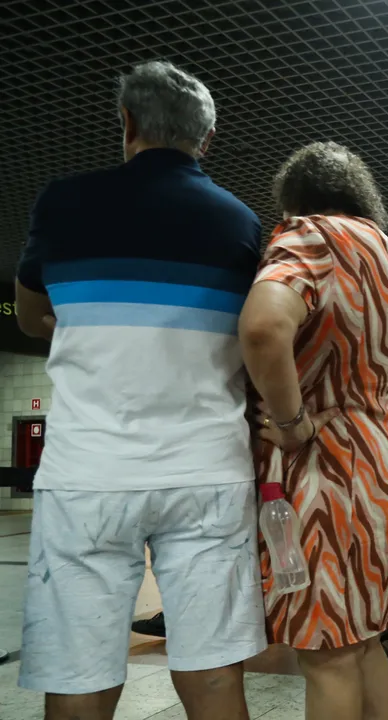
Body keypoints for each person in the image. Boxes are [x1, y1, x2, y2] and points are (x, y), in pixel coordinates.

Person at [15, 60, 264, 719]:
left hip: (88, 473)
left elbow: (31, 313)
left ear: (125, 122)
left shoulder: (63, 201)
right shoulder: (240, 224)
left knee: (78, 675)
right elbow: (253, 337)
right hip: (208, 470)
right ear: (205, 139)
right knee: (214, 675)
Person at [239, 141, 388, 718]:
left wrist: (290, 423)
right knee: (364, 638)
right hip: (385, 458)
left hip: (326, 464)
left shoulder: (309, 237)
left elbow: (265, 326)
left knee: (326, 653)